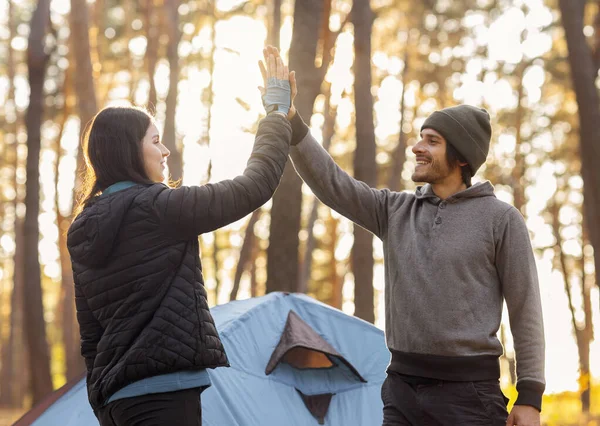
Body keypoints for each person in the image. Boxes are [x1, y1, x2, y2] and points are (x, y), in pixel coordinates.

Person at [260, 46, 545, 426]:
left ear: (461, 158)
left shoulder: (501, 219)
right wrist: (290, 118)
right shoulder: (394, 211)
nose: (417, 147)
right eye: (420, 138)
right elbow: (332, 183)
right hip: (401, 391)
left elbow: (526, 309)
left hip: (469, 397)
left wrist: (530, 396)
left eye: (431, 141)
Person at [67, 51, 295, 426]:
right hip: (164, 396)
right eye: (155, 141)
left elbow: (91, 334)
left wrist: (103, 404)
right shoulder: (159, 208)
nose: (165, 150)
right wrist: (275, 114)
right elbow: (253, 186)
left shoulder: (83, 226)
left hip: (117, 403)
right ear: (129, 150)